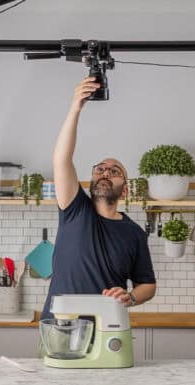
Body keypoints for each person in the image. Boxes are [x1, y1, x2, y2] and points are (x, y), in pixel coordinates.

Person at [41, 76, 157, 319]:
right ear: (91, 182)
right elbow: (61, 160)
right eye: (100, 169)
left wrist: (131, 297)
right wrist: (75, 107)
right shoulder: (75, 210)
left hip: (107, 327)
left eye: (115, 172)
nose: (106, 172)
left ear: (124, 190)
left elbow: (147, 285)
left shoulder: (134, 233)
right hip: (60, 327)